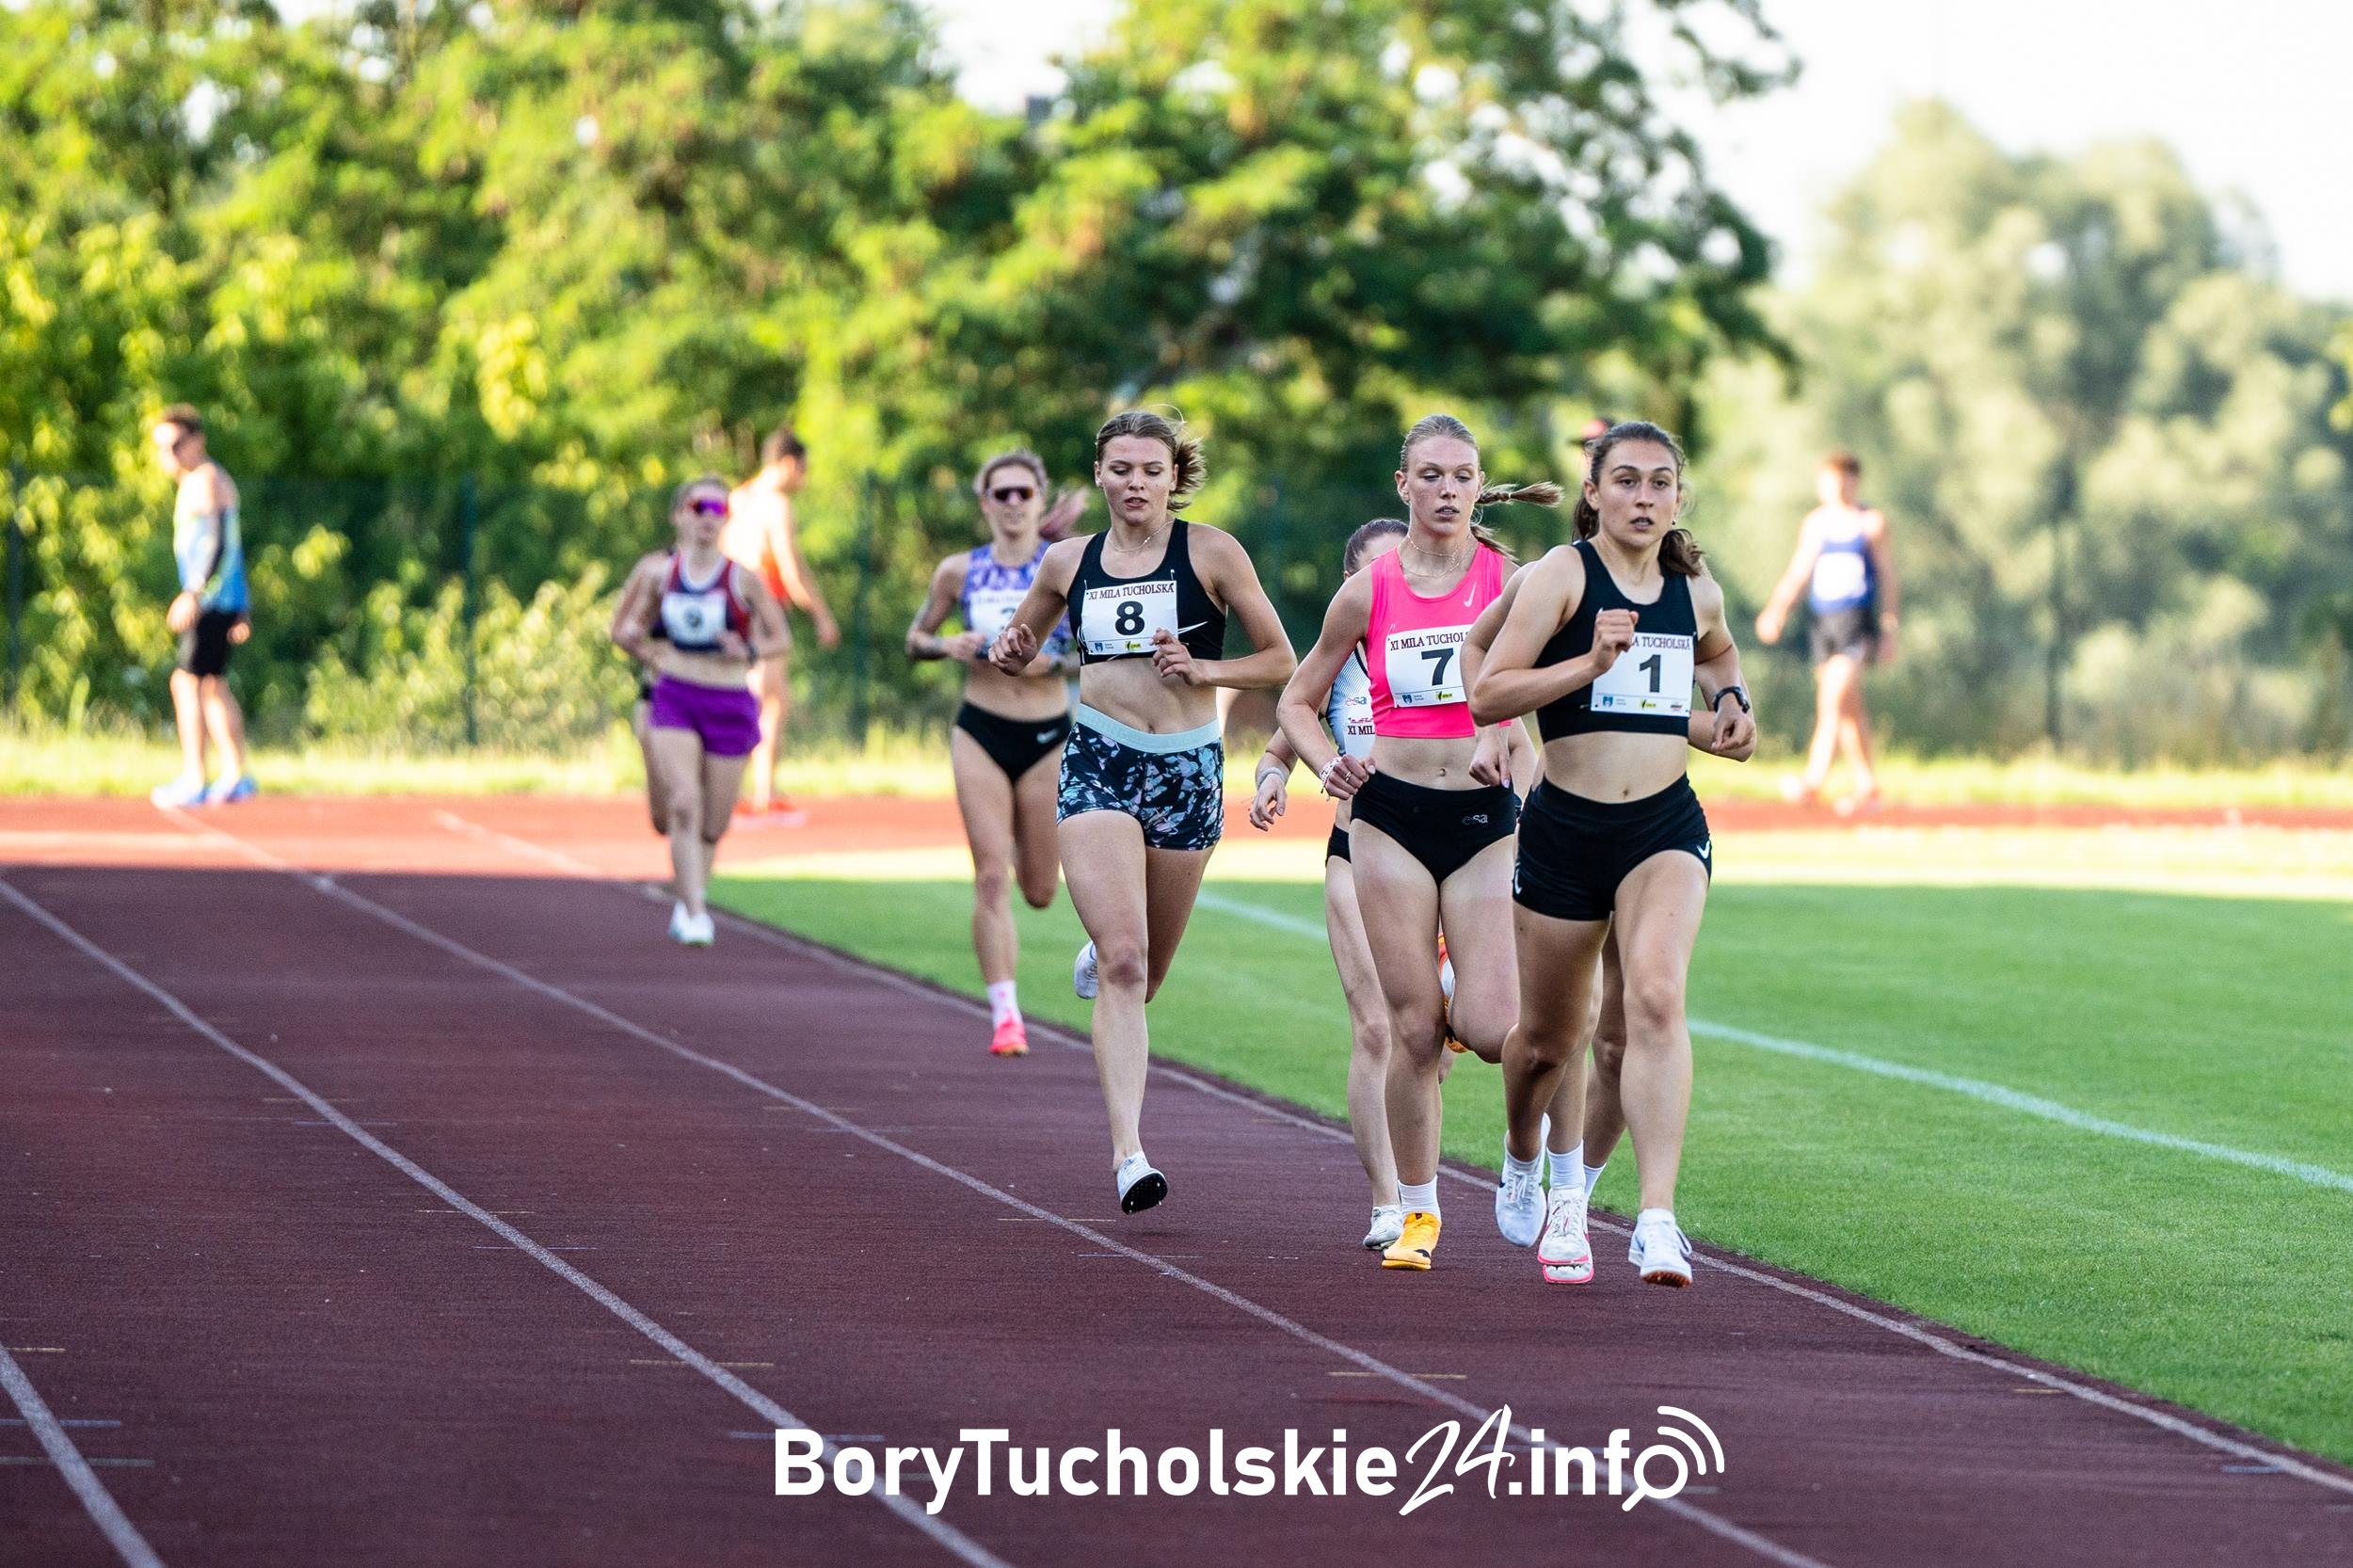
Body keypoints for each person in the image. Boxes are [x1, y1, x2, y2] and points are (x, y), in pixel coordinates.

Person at [1470, 421, 1756, 1288]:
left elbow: (1717, 652)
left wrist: (1732, 702)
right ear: (1592, 493)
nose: (1643, 497)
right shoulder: (1561, 577)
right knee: (1546, 1044)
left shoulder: (1693, 584)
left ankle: (1653, 1220)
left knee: (1653, 1005)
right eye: (1625, 481)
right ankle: (1524, 1156)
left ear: (1678, 496)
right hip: (1566, 831)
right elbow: (1488, 691)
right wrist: (1588, 662)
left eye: (1660, 483)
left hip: (1664, 827)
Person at [988, 409, 1296, 1213]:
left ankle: (1109, 952)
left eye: (1150, 471)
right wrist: (1012, 653)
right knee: (1125, 960)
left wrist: (1203, 665)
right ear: (1099, 474)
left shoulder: (1213, 552)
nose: (1135, 484)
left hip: (1189, 769)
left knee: (1146, 974)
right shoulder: (1067, 561)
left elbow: (1280, 661)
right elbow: (1023, 644)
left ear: (1173, 477)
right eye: (1120, 469)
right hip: (1099, 759)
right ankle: (1129, 1154)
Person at [1276, 414, 1560, 1273]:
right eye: (1429, 475)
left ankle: (1521, 1158)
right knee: (1413, 1032)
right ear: (1403, 486)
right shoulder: (1369, 591)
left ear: (1481, 487)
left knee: (1491, 1024)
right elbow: (1296, 700)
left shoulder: (1508, 579)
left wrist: (1520, 737)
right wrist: (1329, 766)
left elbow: (1541, 684)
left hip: (1482, 822)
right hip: (1391, 817)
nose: (1446, 490)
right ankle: (1419, 1215)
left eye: (1462, 475)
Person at [906, 451, 1087, 1057]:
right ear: (984, 503)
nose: (1012, 503)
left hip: (1046, 736)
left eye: (1023, 493)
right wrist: (943, 646)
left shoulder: (1065, 566)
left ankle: (1019, 838)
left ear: (1040, 500)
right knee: (989, 876)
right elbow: (915, 638)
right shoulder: (959, 571)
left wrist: (1051, 664)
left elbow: (1096, 653)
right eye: (1000, 493)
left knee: (1039, 890)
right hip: (980, 727)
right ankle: (1006, 1015)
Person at [613, 475, 790, 945]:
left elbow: (781, 639)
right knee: (682, 805)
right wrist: (646, 652)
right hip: (674, 693)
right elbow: (623, 628)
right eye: (698, 506)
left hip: (729, 701)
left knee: (713, 823)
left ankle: (689, 896)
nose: (708, 517)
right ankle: (696, 913)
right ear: (678, 514)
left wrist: (747, 650)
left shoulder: (742, 578)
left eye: (718, 508)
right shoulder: (657, 573)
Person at [1753, 449, 1898, 811]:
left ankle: (1812, 782)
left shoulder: (1871, 523)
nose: (1837, 486)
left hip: (1856, 623)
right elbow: (1800, 572)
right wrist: (1777, 609)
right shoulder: (1816, 524)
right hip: (1824, 624)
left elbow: (1888, 577)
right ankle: (1868, 787)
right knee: (1849, 709)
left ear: (1855, 481)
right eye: (1831, 479)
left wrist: (1889, 627)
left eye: (1844, 478)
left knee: (1832, 701)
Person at [725, 424, 840, 823]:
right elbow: (790, 568)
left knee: (769, 697)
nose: (803, 479)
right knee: (764, 701)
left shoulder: (739, 497)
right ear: (789, 463)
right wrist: (822, 615)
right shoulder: (776, 503)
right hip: (764, 604)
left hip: (735, 603)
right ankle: (751, 794)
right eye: (803, 470)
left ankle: (756, 792)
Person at [147, 406, 256, 808]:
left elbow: (217, 545)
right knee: (212, 684)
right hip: (222, 600)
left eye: (176, 445)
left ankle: (195, 777)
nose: (169, 455)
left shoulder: (206, 480)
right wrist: (243, 605)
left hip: (209, 601)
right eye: (161, 447)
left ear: (198, 441)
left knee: (186, 683)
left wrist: (193, 592)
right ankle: (235, 775)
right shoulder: (200, 480)